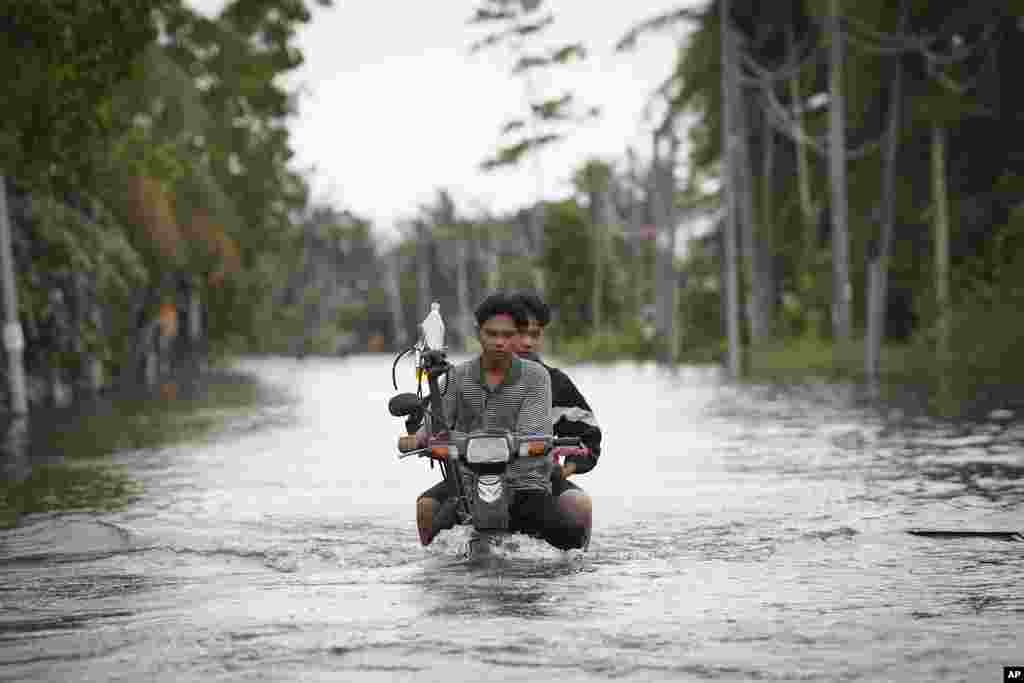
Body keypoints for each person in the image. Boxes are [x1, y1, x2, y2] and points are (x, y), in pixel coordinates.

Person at [398, 292, 589, 550]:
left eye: (508, 335)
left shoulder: (537, 377)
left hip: (525, 484)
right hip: (467, 486)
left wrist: (518, 445)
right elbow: (436, 427)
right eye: (492, 334)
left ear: (517, 335)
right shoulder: (456, 376)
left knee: (569, 544)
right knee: (434, 544)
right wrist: (419, 433)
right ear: (478, 333)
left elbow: (534, 432)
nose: (500, 342)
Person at [510, 292, 600, 540]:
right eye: (520, 333)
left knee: (579, 505)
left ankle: (570, 568)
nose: (527, 342)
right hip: (477, 480)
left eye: (535, 334)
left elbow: (588, 436)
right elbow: (437, 421)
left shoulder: (556, 382)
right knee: (427, 507)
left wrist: (564, 471)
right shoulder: (469, 377)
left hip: (540, 480)